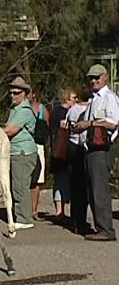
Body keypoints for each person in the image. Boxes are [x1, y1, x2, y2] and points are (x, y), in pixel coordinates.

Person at [74, 64, 119, 241]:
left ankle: (106, 229)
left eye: (97, 77)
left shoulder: (110, 98)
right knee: (93, 189)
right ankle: (100, 227)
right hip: (90, 148)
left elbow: (114, 123)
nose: (93, 80)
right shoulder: (94, 99)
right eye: (91, 78)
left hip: (102, 149)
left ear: (106, 77)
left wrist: (91, 124)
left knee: (100, 190)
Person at [3, 77, 38, 230]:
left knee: (20, 186)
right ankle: (20, 215)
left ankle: (24, 218)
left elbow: (10, 130)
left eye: (16, 93)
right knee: (16, 184)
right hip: (15, 152)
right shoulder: (15, 109)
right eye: (11, 93)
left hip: (23, 153)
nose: (13, 96)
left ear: (24, 94)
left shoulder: (24, 110)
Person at [64, 89, 91, 235]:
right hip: (81, 147)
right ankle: (81, 219)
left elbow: (66, 125)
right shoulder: (88, 109)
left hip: (71, 145)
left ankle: (74, 217)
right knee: (83, 186)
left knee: (74, 183)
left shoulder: (73, 109)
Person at [49, 87, 77, 222]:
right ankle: (60, 211)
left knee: (62, 180)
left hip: (59, 150)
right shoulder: (62, 111)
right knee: (62, 180)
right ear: (67, 98)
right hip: (61, 150)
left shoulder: (56, 110)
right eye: (73, 98)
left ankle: (62, 210)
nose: (76, 100)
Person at [28, 90, 50, 221]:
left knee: (38, 179)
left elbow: (47, 125)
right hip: (25, 144)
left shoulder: (42, 108)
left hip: (39, 144)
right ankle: (24, 209)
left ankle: (34, 210)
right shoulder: (20, 109)